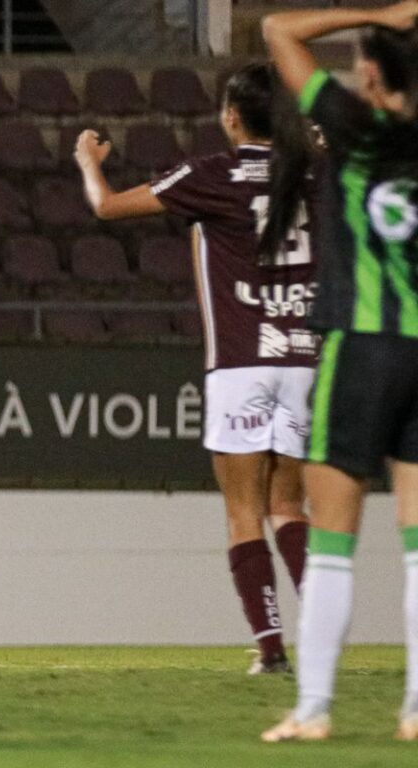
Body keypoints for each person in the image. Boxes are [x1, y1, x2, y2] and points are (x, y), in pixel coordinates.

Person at [73, 63, 318, 675]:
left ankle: (272, 650)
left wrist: (87, 160)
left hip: (241, 364)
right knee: (290, 507)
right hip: (304, 359)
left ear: (232, 116)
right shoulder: (313, 171)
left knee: (243, 511)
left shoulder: (214, 174)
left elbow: (105, 207)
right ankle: (325, 627)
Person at [260, 0, 418, 741]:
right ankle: (417, 710)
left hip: (361, 340)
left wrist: (379, 11)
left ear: (373, 73)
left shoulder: (355, 126)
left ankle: (314, 709)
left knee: (334, 538)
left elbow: (277, 30)